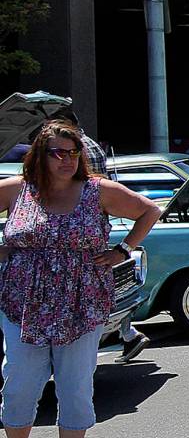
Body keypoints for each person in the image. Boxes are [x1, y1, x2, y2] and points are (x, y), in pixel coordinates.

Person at [0, 122, 160, 438]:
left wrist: (123, 250)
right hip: (23, 304)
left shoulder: (97, 192)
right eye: (58, 152)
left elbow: (149, 211)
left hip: (81, 304)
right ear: (39, 155)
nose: (67, 160)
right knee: (20, 385)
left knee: (75, 389)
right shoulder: (17, 191)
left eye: (73, 153)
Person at [48, 108, 151, 363]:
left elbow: (149, 211)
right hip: (95, 221)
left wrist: (123, 250)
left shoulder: (78, 150)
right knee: (109, 282)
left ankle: (123, 335)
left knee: (94, 283)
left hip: (82, 222)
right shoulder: (89, 144)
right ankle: (128, 333)